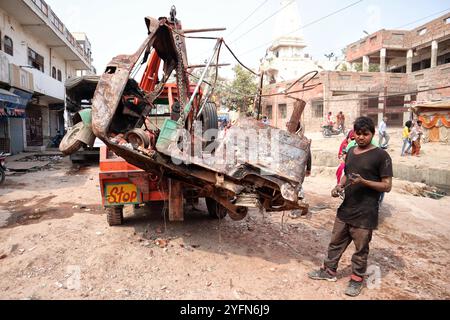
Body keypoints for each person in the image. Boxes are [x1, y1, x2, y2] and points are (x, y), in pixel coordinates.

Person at [308, 116, 393, 297]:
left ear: (372, 134)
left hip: (366, 212)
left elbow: (387, 186)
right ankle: (328, 271)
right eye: (358, 133)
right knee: (335, 242)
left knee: (361, 249)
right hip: (346, 207)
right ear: (353, 133)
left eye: (365, 134)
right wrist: (339, 186)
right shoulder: (351, 151)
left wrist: (364, 181)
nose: (361, 137)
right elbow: (347, 174)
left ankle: (356, 280)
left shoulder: (381, 156)